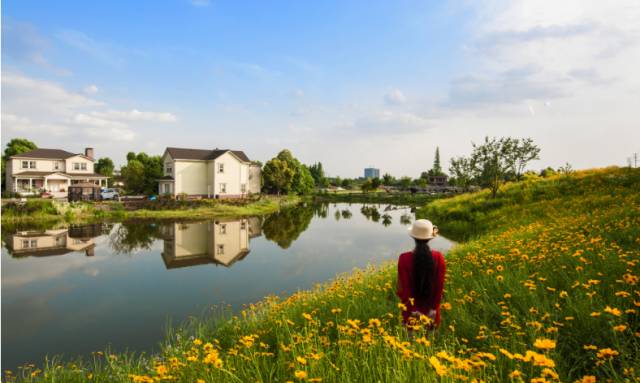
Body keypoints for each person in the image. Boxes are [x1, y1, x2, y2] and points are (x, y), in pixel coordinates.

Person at [396, 219, 446, 328]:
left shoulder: (404, 258)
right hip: (431, 314)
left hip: (410, 314)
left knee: (409, 344)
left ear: (413, 237)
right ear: (430, 238)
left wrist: (413, 310)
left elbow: (404, 289)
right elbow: (439, 287)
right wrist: (433, 309)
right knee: (430, 343)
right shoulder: (439, 257)